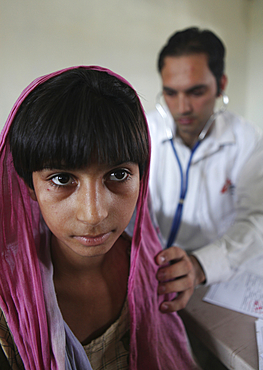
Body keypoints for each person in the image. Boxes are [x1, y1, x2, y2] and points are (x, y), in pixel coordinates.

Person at [0, 66, 197, 369]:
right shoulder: (8, 304)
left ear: (141, 179)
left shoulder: (153, 274)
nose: (94, 214)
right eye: (62, 179)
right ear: (29, 188)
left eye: (118, 174)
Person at [147, 27, 263, 312]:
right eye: (171, 93)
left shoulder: (248, 141)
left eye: (196, 92)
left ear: (221, 84)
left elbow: (257, 221)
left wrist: (200, 266)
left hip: (219, 274)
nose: (182, 107)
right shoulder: (143, 133)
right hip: (154, 273)